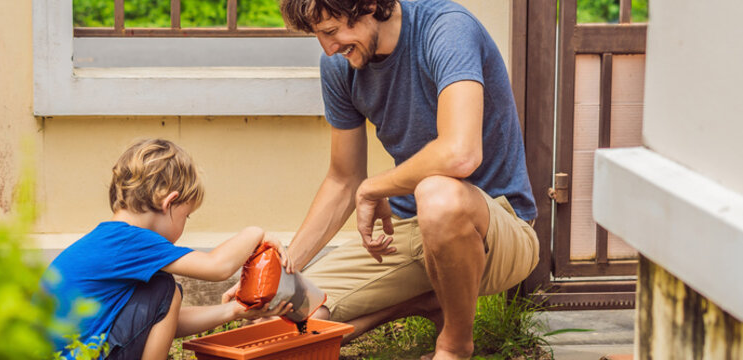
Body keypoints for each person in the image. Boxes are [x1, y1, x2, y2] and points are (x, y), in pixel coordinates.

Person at [277, 0, 540, 358]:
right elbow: (343, 180)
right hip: (405, 229)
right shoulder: (339, 66)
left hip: (496, 227)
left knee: (438, 194)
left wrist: (374, 187)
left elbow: (460, 153)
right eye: (319, 36)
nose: (329, 48)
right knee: (287, 323)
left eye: (332, 31)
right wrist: (283, 272)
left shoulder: (446, 28)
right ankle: (423, 300)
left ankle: (455, 345)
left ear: (369, 5)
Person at [42, 139, 293, 359]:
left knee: (160, 292)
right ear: (169, 203)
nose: (184, 224)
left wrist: (234, 311)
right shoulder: (131, 240)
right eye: (186, 216)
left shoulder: (108, 239)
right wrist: (257, 233)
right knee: (164, 288)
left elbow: (164, 321)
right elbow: (218, 267)